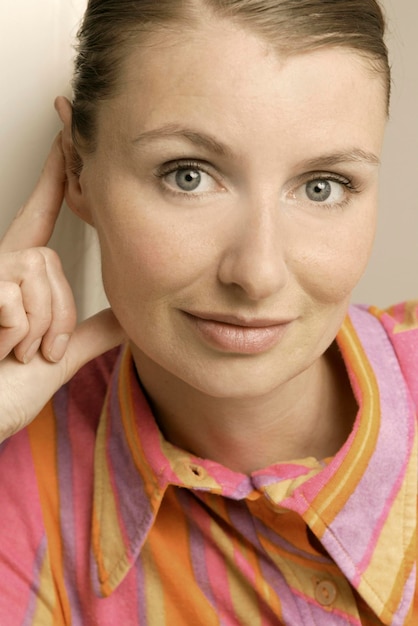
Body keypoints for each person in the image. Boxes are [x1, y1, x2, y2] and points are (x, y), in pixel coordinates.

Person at [0, 0, 416, 624]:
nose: (257, 273)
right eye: (188, 176)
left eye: (323, 185)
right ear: (78, 170)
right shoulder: (23, 494)